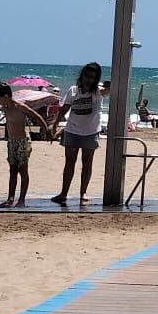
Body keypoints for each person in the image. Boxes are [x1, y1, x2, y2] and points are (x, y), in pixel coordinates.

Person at [52, 62, 107, 206]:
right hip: (72, 130)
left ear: (96, 79)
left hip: (90, 132)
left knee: (87, 163)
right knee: (69, 163)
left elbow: (109, 90)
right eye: (86, 76)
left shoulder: (98, 92)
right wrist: (55, 125)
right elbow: (64, 109)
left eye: (92, 78)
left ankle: (83, 192)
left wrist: (109, 85)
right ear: (81, 76)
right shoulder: (73, 90)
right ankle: (63, 193)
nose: (88, 80)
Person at [0, 83, 52, 207]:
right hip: (12, 142)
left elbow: (37, 116)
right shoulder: (5, 108)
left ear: (6, 96)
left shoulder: (20, 106)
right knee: (13, 170)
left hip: (23, 141)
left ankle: (22, 200)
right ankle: (10, 199)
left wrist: (47, 131)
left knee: (23, 170)